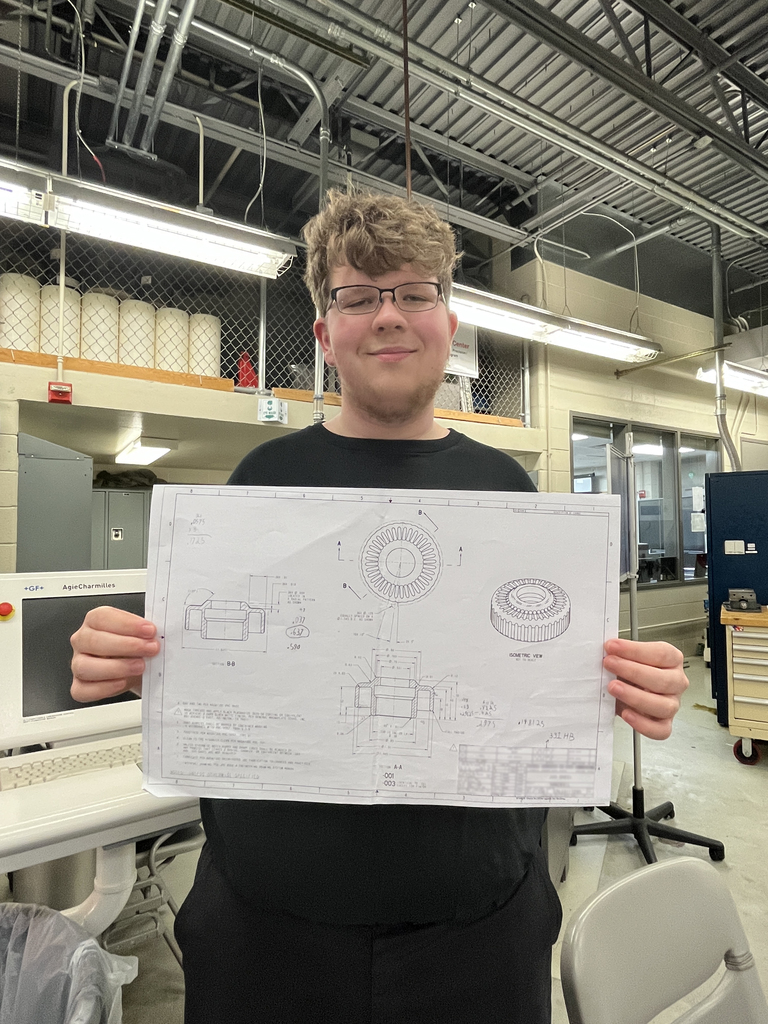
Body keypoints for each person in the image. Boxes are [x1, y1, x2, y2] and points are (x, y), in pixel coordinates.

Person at [71, 189, 688, 1024]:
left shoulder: (510, 493)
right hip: (266, 931)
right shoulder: (257, 486)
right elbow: (207, 666)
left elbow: (542, 678)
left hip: (477, 936)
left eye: (413, 292)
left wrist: (629, 683)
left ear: (449, 323)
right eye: (357, 296)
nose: (388, 316)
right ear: (325, 335)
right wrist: (122, 660)